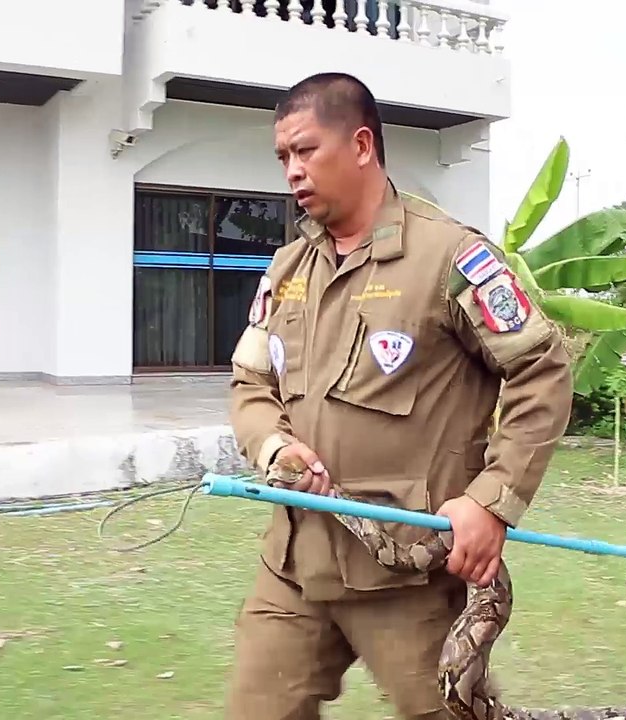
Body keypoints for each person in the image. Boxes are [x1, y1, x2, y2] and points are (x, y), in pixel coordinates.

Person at [223, 71, 574, 720]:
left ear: (361, 146)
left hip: (409, 577)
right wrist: (272, 444)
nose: (291, 172)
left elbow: (542, 370)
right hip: (295, 564)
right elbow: (250, 381)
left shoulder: (452, 257)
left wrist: (493, 502)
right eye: (282, 157)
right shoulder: (288, 269)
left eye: (305, 151)